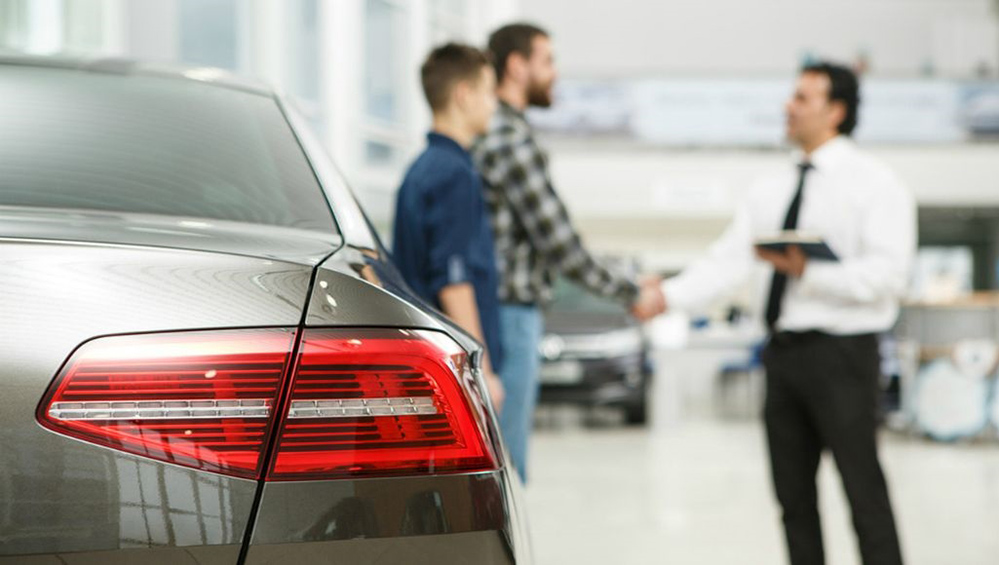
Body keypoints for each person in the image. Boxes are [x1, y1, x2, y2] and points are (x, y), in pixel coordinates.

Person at [656, 62, 914, 565]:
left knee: (864, 492)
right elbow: (727, 261)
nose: (787, 107)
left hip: (844, 356)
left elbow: (890, 277)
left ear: (835, 111)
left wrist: (809, 272)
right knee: (792, 501)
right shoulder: (770, 188)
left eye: (801, 98)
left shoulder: (876, 183)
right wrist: (665, 296)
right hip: (782, 356)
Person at [472, 23, 665, 483]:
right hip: (510, 314)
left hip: (502, 310)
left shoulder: (498, 132)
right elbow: (560, 244)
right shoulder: (509, 139)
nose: (555, 73)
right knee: (508, 465)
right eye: (548, 61)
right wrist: (630, 292)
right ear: (516, 66)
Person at [392, 43, 505, 412]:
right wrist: (482, 371)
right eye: (489, 92)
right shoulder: (455, 174)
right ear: (463, 95)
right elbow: (453, 279)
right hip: (454, 364)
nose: (494, 104)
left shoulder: (421, 168)